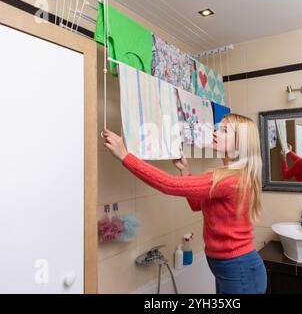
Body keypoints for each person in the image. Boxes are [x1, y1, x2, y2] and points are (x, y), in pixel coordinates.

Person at [102, 113, 267, 294]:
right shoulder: (231, 175)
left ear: (240, 143)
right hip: (232, 266)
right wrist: (186, 171)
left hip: (238, 268)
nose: (215, 132)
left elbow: (168, 185)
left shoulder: (229, 179)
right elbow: (197, 205)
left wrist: (125, 156)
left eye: (224, 130)